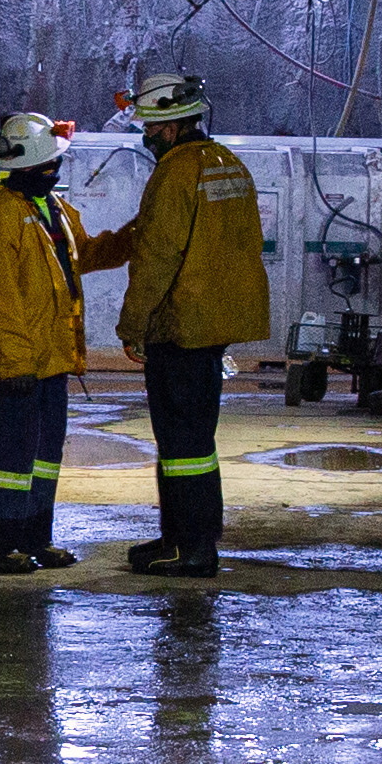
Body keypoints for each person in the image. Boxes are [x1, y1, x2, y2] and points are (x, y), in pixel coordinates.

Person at [84, 70, 265, 578]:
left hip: (180, 326)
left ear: (167, 127)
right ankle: (187, 540)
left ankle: (189, 548)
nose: (146, 135)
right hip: (212, 326)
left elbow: (157, 255)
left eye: (149, 126)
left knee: (182, 444)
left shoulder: (176, 172)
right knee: (196, 443)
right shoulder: (228, 165)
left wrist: (132, 325)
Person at [0, 111, 87, 578]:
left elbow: (80, 258)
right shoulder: (1, 212)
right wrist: (14, 363)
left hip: (51, 355)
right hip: (24, 359)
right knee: (8, 457)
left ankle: (35, 538)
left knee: (44, 454)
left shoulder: (49, 209)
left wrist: (137, 237)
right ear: (33, 166)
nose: (57, 171)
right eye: (51, 164)